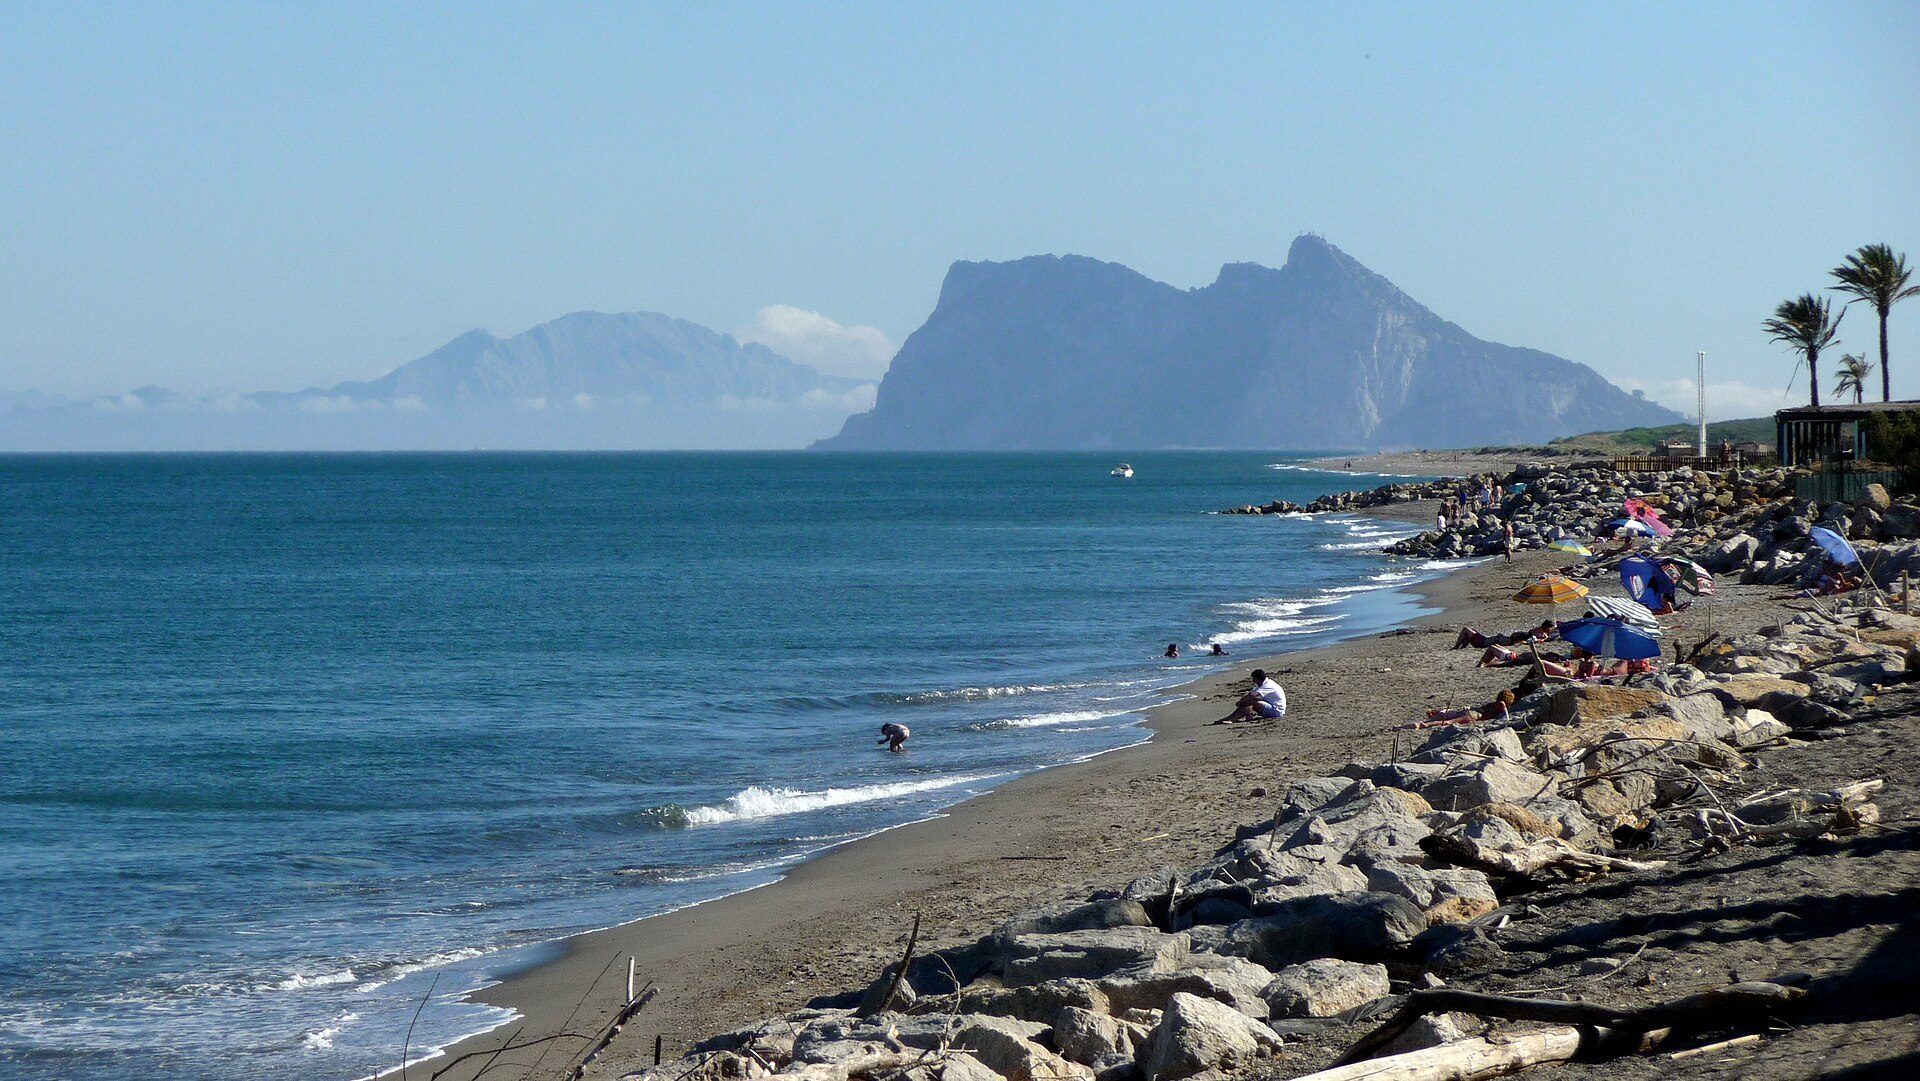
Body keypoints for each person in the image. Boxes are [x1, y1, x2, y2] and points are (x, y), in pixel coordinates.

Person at [1409, 689, 1515, 729]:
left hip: (1470, 711)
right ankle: (1424, 725)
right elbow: (1504, 710)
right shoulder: (1500, 705)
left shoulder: (1492, 704)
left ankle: (1401, 727)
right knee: (1447, 722)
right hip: (1474, 715)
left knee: (1445, 715)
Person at [1214, 669, 1287, 725]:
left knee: (1251, 702)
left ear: (1258, 679)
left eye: (1254, 679)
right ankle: (1229, 717)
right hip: (1270, 706)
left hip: (1276, 711)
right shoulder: (1262, 685)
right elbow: (1252, 694)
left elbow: (1252, 695)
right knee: (1248, 701)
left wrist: (1240, 702)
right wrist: (1242, 702)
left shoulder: (1268, 685)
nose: (1253, 681)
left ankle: (1233, 719)